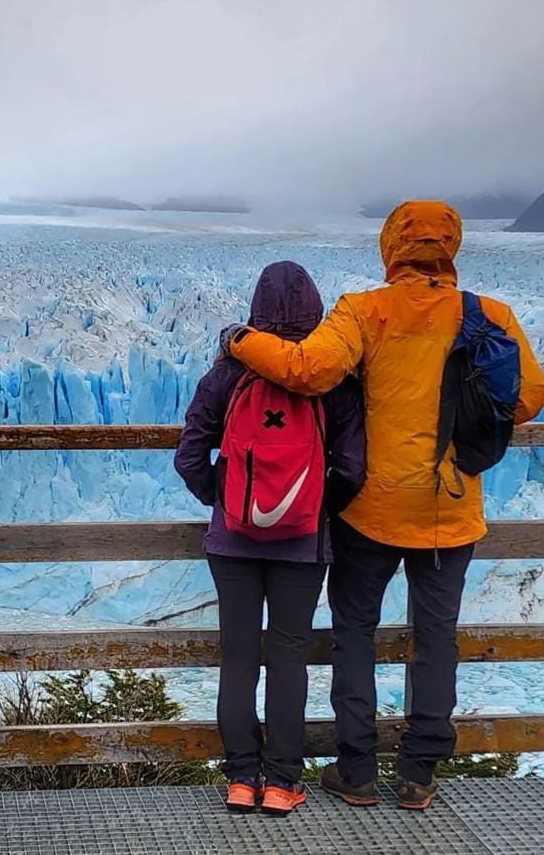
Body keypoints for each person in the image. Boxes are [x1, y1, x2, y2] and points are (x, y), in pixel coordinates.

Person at [222, 202, 544, 810]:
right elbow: (529, 395)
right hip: (451, 513)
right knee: (435, 638)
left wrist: (242, 341)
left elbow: (308, 370)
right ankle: (420, 773)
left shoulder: (365, 310)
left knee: (355, 634)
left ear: (391, 244)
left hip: (371, 513)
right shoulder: (488, 315)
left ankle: (357, 770)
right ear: (450, 246)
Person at [175, 260, 366, 816]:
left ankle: (240, 780)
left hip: (231, 541)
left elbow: (189, 454)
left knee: (238, 657)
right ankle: (281, 783)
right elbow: (352, 468)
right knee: (288, 659)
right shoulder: (333, 379)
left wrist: (225, 499)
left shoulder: (227, 373)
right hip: (303, 546)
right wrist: (316, 512)